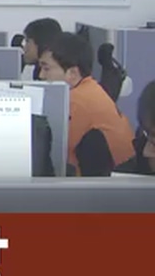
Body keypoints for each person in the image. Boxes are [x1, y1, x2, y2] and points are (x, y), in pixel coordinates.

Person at [37, 33, 135, 175]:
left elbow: (58, 159)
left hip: (111, 182)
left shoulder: (75, 101)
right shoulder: (90, 88)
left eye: (46, 69)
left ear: (72, 73)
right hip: (116, 176)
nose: (41, 75)